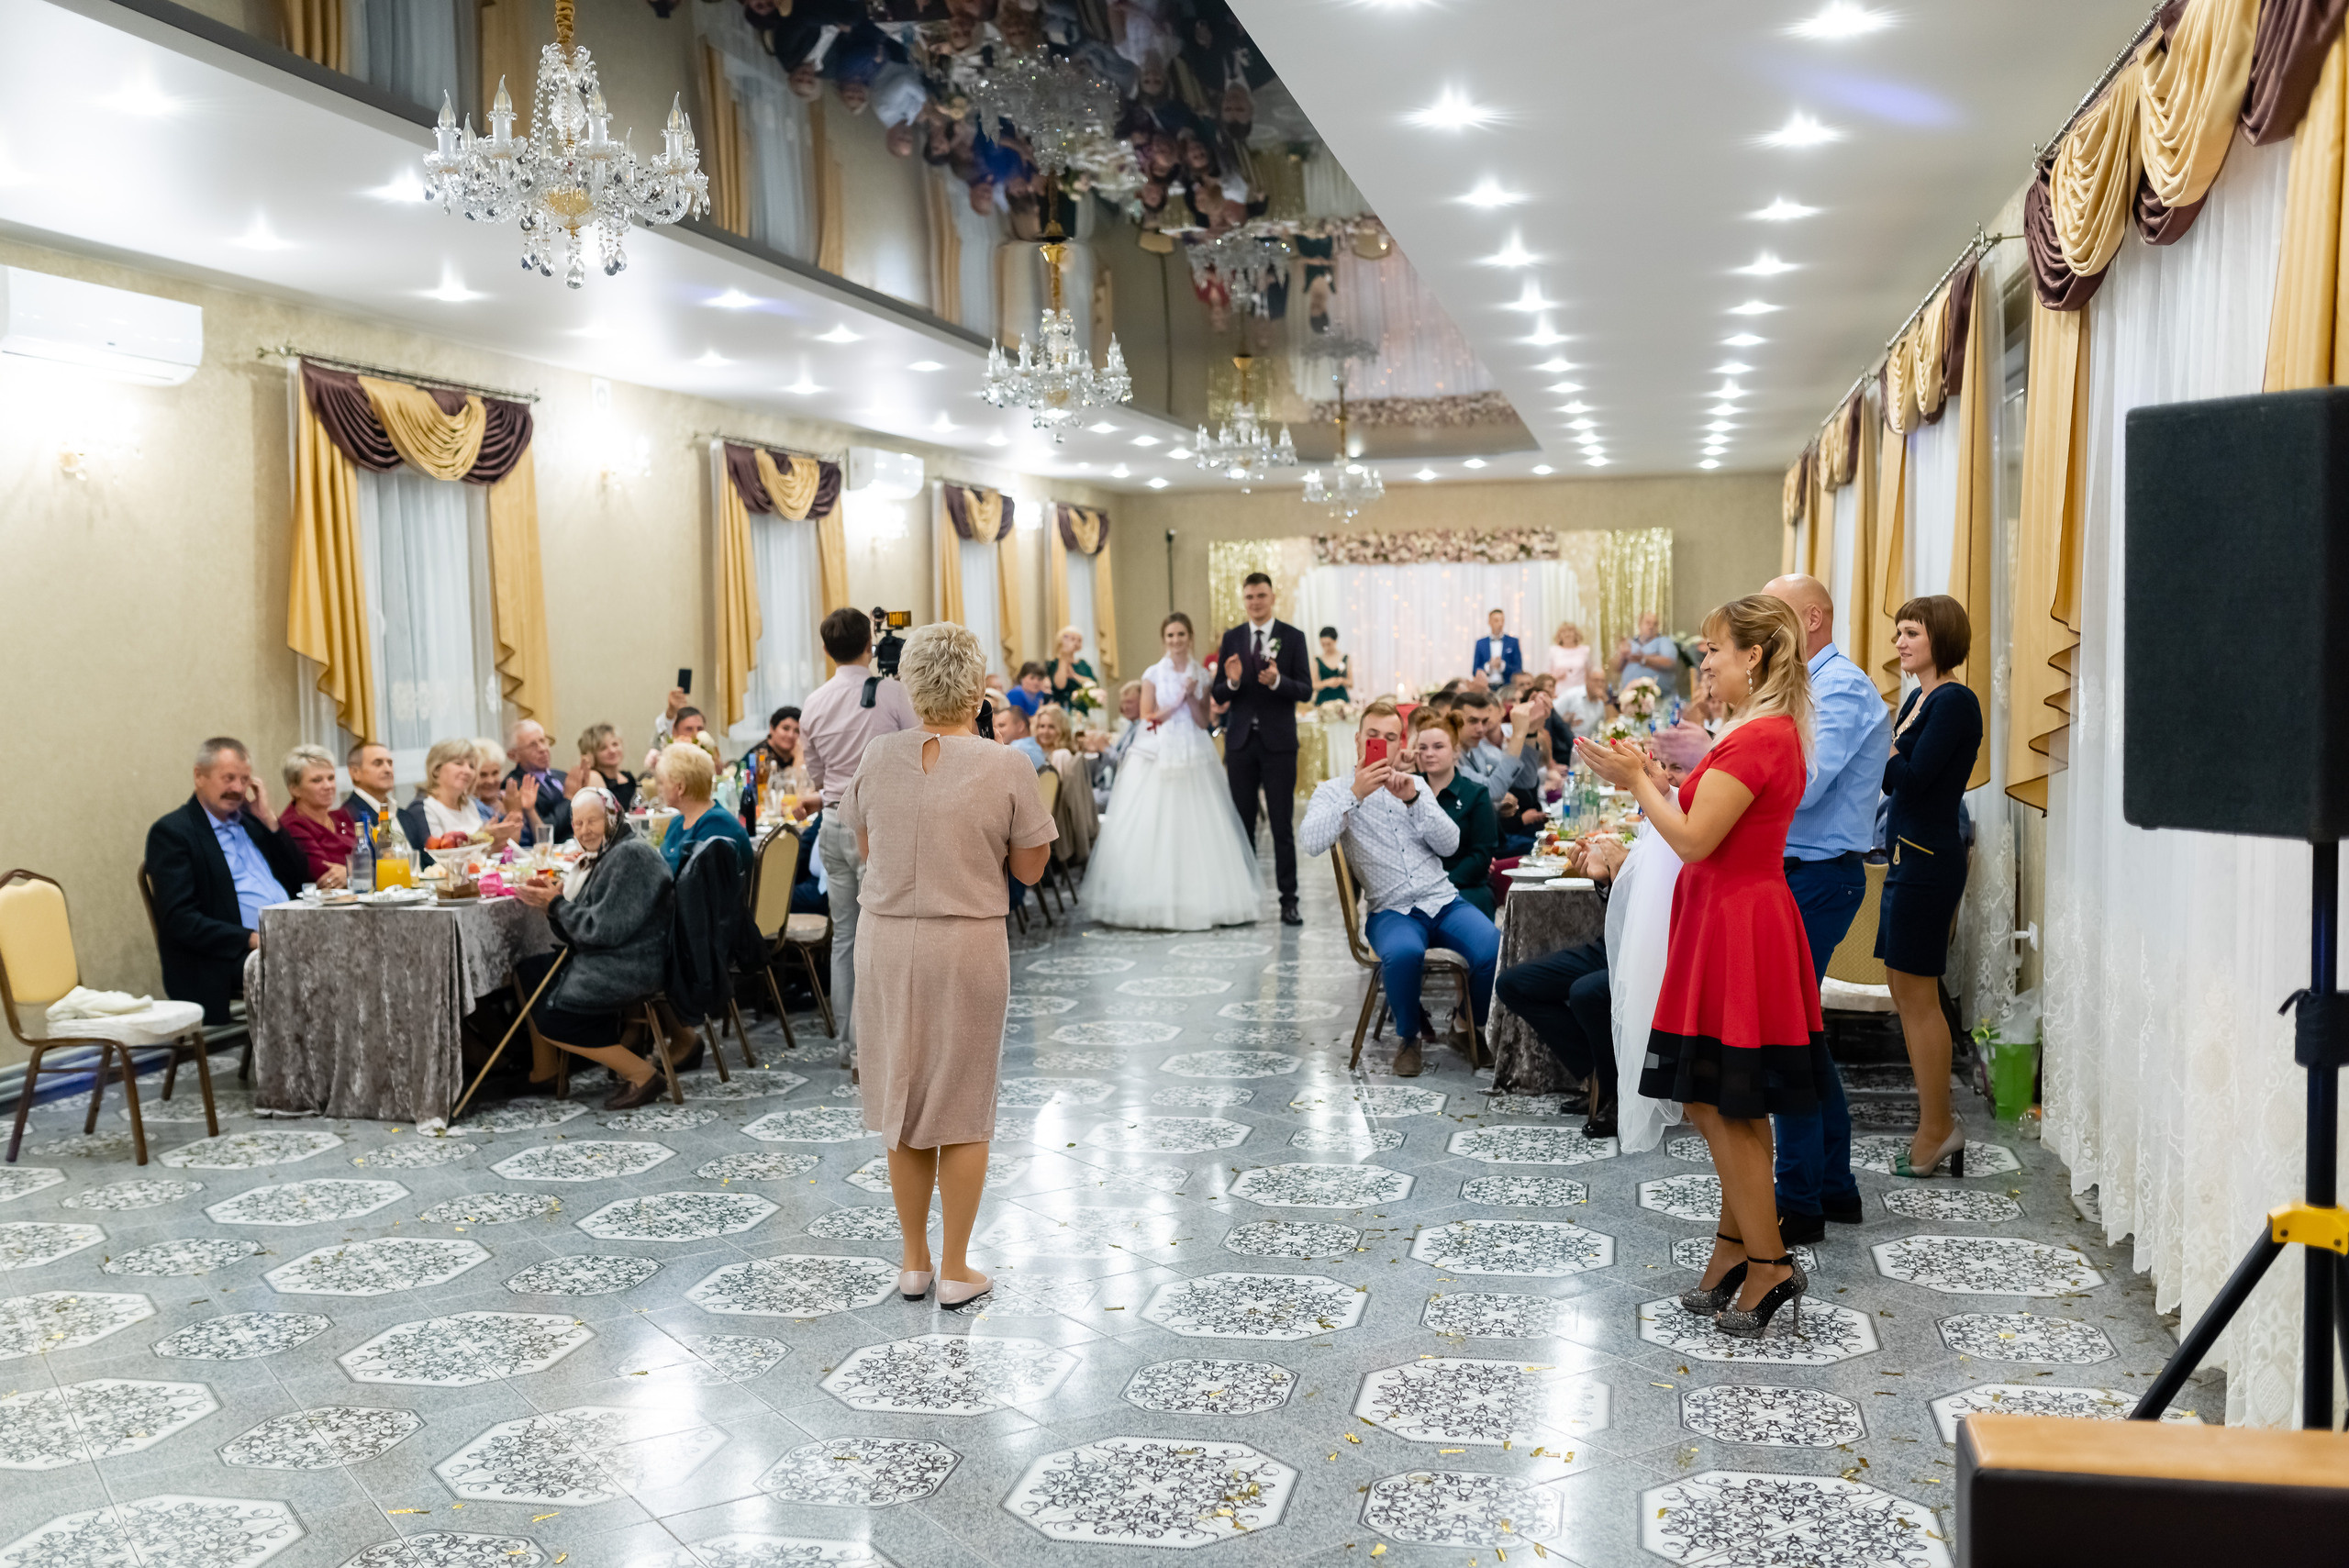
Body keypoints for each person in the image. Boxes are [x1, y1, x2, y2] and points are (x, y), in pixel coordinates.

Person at [1575, 595, 1821, 1339]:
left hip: (1737, 925)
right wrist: (1652, 775)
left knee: (1723, 1103)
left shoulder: (1761, 737)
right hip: (1728, 917)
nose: (1704, 661)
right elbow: (1705, 814)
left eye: (1715, 649)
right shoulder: (1758, 731)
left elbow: (1690, 837)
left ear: (1755, 656)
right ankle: (1735, 1249)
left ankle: (1771, 1264)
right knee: (1722, 1099)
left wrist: (1636, 784)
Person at [1661, 573, 1890, 1243]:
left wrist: (1711, 764)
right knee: (1800, 1040)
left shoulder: (1837, 686)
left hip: (1813, 873)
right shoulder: (1783, 702)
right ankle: (1824, 1186)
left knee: (1785, 1045)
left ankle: (1799, 1196)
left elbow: (1800, 785)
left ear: (1809, 618)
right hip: (1789, 872)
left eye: (1775, 614)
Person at [839, 621, 1057, 1310]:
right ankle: (958, 1266)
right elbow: (1029, 866)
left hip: (885, 937)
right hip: (964, 942)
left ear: (910, 681)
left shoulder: (877, 755)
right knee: (962, 1103)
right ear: (977, 686)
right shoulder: (1005, 763)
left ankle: (913, 1260)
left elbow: (867, 845)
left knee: (901, 1096)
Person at [1300, 700, 1501, 1078]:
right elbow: (1311, 841)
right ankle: (1409, 1038)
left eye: (1390, 737)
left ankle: (1462, 1022)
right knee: (1404, 953)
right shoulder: (1334, 791)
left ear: (1400, 745)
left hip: (1442, 901)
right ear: (1358, 740)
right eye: (1372, 736)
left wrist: (1412, 799)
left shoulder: (1417, 785)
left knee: (1493, 946)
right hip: (1390, 909)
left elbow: (1450, 844)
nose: (1380, 743)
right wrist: (1355, 795)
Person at [1880, 595, 1985, 1177]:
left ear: (1940, 638)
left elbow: (1912, 782)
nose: (1901, 642)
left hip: (1929, 859)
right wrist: (1891, 748)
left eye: (1912, 632)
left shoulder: (1954, 701)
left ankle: (1938, 1127)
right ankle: (1935, 1122)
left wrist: (1884, 748)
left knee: (1920, 995)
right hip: (1906, 856)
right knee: (1902, 988)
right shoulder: (1918, 698)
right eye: (1899, 632)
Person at [1086, 612, 1262, 930]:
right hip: (1158, 749)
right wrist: (1178, 697)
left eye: (1181, 634)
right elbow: (1148, 717)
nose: (1176, 640)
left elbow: (1203, 721)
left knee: (1199, 822)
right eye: (1170, 636)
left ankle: (1201, 896)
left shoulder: (1202, 674)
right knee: (1154, 821)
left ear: (1190, 637)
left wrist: (1193, 695)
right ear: (1164, 639)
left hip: (1194, 748)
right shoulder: (1153, 673)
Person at [800, 606, 919, 1063]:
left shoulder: (813, 702)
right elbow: (917, 748)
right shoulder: (892, 693)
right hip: (880, 825)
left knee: (846, 936)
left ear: (826, 649)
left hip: (832, 821)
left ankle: (849, 1044)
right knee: (886, 933)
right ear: (870, 645)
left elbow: (815, 771)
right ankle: (880, 1038)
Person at [508, 787, 675, 1111]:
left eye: (592, 821)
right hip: (611, 953)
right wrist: (553, 907)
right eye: (578, 823)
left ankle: (643, 1075)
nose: (585, 831)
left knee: (553, 1018)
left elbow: (601, 930)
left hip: (633, 963)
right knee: (528, 971)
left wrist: (556, 904)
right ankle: (546, 1070)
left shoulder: (630, 855)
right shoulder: (608, 854)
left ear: (612, 817)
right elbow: (584, 931)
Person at [145, 738, 311, 1024]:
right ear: (199, 776)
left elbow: (301, 879)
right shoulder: (173, 833)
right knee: (308, 968)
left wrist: (270, 820)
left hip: (284, 937)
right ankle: (298, 1063)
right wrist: (252, 939)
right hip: (226, 954)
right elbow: (180, 919)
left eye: (244, 779)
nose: (237, 788)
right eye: (228, 778)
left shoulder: (252, 823)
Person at [1494, 828, 1635, 1140]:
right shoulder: (1648, 825)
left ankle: (1618, 1095)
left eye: (1673, 774)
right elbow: (1624, 905)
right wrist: (1604, 878)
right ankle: (1599, 1072)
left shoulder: (1682, 833)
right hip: (1613, 946)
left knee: (1586, 992)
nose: (1664, 777)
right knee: (1513, 985)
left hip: (1651, 956)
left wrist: (1620, 869)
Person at [1212, 573, 1312, 924]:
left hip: (1279, 743)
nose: (1255, 602)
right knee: (1243, 822)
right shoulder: (1233, 638)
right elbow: (1219, 693)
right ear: (1245, 600)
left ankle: (1289, 900)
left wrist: (1278, 682)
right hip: (1240, 742)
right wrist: (1234, 681)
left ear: (1273, 597)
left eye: (1261, 595)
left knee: (1282, 824)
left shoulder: (1293, 636)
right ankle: (1245, 898)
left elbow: (1305, 689)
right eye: (1250, 597)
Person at [1408, 708, 1497, 918]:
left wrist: (1444, 884)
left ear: (1456, 751)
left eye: (1438, 747)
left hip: (1464, 886)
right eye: (1423, 748)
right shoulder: (1408, 788)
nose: (1429, 753)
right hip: (1414, 890)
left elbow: (1481, 856)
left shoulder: (1476, 794)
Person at [653, 741, 753, 876]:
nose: (659, 789)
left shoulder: (717, 827)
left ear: (680, 787)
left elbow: (702, 888)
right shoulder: (677, 823)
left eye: (661, 782)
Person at [278, 745, 354, 887]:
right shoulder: (292, 825)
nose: (328, 786)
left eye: (331, 778)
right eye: (317, 780)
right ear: (294, 789)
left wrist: (350, 873)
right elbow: (323, 875)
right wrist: (359, 871)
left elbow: (380, 858)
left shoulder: (341, 816)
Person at [472, 740, 545, 847]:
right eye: (483, 775)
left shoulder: (508, 797)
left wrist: (530, 809)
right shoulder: (474, 807)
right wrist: (515, 812)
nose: (491, 781)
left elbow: (543, 840)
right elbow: (503, 849)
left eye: (495, 773)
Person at [506, 720, 569, 842]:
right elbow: (547, 833)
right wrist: (570, 798)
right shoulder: (515, 785)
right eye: (532, 745)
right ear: (513, 755)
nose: (543, 749)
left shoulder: (563, 776)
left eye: (543, 740)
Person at [567, 724, 640, 813]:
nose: (612, 751)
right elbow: (604, 815)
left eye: (615, 744)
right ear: (592, 754)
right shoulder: (594, 777)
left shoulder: (627, 777)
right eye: (603, 748)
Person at [1613, 610, 1681, 696]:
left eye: (1655, 624)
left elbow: (1669, 663)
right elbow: (1616, 668)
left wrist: (1643, 658)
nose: (1651, 626)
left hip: (1657, 699)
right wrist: (1622, 657)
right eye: (1648, 623)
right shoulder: (1630, 643)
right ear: (1639, 624)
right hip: (1629, 698)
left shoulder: (1663, 641)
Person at [341, 741, 397, 840]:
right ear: (355, 772)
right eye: (378, 763)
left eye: (390, 763)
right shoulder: (347, 817)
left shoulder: (405, 816)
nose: (388, 769)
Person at [1045, 627, 1097, 710]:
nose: (1076, 642)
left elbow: (1093, 685)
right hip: (1061, 708)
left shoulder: (1083, 664)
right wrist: (1064, 656)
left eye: (1079, 640)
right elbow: (1060, 685)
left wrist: (1074, 676)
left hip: (1081, 709)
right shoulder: (1053, 663)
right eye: (1072, 639)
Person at [1473, 608, 1522, 689]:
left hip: (1507, 688)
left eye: (1502, 620)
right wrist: (1488, 666)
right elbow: (1475, 670)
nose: (1500, 624)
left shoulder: (1513, 642)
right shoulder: (1481, 643)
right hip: (1487, 688)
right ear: (1489, 622)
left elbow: (1518, 669)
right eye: (1496, 620)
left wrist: (1502, 665)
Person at [995, 703, 1050, 772]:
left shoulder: (1017, 747)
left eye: (1002, 725)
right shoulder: (1035, 745)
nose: (996, 730)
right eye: (995, 727)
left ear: (1020, 726)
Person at [1313, 626, 1353, 706]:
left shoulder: (1345, 657)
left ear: (1335, 641)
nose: (1326, 647)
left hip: (1342, 702)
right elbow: (1314, 685)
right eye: (1323, 644)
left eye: (1329, 644)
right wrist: (1327, 683)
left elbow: (1351, 684)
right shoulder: (1317, 659)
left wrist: (1342, 680)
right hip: (1323, 702)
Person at [1548, 622, 1591, 690]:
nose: (1567, 634)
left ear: (1576, 634)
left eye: (1570, 631)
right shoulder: (1553, 651)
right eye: (1563, 632)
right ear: (1559, 635)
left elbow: (1590, 674)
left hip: (1580, 692)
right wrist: (1555, 676)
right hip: (1559, 692)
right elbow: (1547, 676)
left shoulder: (1585, 650)